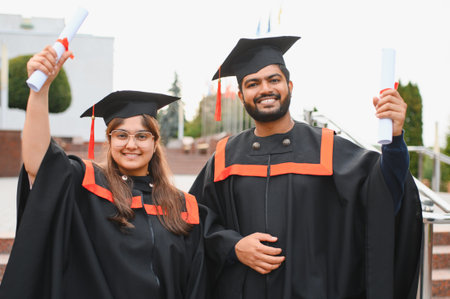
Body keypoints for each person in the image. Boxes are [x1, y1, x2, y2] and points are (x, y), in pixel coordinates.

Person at [189, 36, 423, 299]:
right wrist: (233, 246)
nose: (265, 89)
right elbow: (194, 220)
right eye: (253, 84)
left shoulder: (327, 149)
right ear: (242, 96)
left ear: (289, 85)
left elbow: (384, 191)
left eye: (273, 80)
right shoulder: (225, 157)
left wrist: (394, 139)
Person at [0, 46, 207, 299]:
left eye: (142, 136)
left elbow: (196, 281)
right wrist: (40, 92)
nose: (131, 144)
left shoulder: (182, 206)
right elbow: (39, 164)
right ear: (109, 141)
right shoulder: (86, 184)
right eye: (121, 135)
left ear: (155, 142)